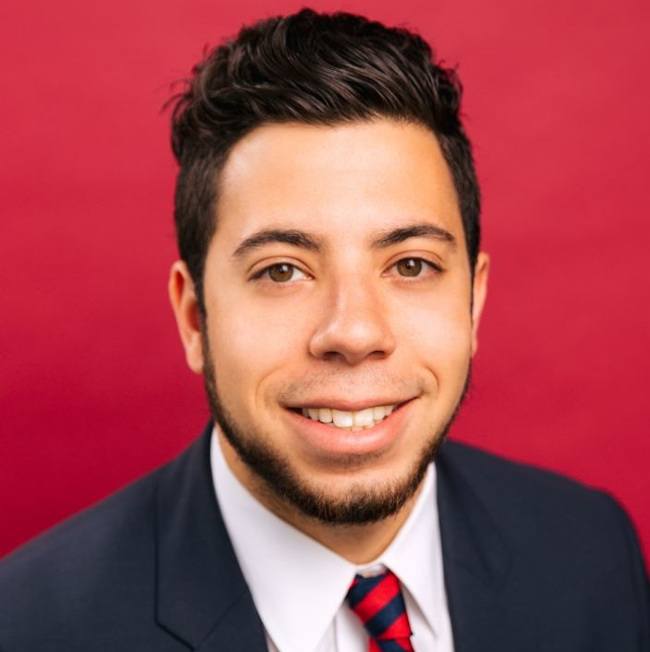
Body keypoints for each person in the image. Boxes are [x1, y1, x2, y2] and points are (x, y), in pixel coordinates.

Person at [0, 8, 648, 651]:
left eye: (412, 264)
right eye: (283, 270)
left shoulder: (592, 554)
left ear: (473, 302)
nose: (355, 331)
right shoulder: (30, 626)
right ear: (194, 317)